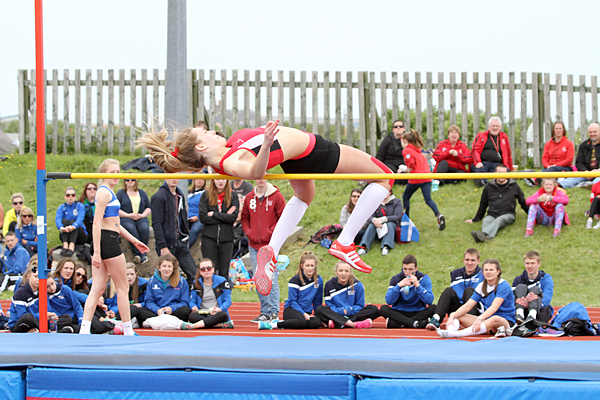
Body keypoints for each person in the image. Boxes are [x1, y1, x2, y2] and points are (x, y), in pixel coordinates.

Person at [136, 119, 394, 297]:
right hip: (314, 151)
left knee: (305, 196)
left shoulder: (224, 154)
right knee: (385, 176)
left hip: (296, 158)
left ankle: (272, 249)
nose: (213, 132)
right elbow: (253, 172)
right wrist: (267, 143)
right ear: (202, 146)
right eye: (207, 134)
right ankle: (345, 241)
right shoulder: (230, 160)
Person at [79, 159, 149, 336]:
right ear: (103, 173)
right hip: (107, 240)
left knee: (98, 287)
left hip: (108, 238)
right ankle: (128, 330)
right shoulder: (103, 193)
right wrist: (96, 252)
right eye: (112, 171)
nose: (117, 175)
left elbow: (116, 224)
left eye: (118, 171)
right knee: (123, 287)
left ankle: (84, 329)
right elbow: (96, 223)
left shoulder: (109, 192)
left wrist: (134, 241)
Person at [241, 178, 286, 323]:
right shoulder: (249, 197)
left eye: (264, 176)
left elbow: (283, 218)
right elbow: (244, 218)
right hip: (254, 245)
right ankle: (265, 311)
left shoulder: (276, 196)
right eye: (258, 176)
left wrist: (271, 232)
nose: (261, 179)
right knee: (259, 278)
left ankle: (274, 312)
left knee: (271, 278)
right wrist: (249, 233)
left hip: (271, 244)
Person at [437, 259, 516, 338]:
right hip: (487, 321)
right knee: (458, 315)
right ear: (482, 272)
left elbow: (494, 307)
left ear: (498, 272)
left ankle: (457, 334)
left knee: (495, 319)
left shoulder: (503, 285)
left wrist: (480, 318)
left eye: (491, 270)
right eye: (486, 270)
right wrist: (452, 316)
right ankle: (450, 331)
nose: (488, 272)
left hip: (505, 322)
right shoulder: (481, 286)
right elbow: (468, 305)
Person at [258, 251, 323, 330]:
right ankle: (274, 325)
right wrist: (303, 314)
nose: (310, 268)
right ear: (302, 266)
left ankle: (290, 323)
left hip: (306, 312)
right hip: (292, 310)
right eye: (307, 265)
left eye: (312, 265)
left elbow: (317, 301)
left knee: (317, 322)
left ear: (315, 266)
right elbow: (292, 301)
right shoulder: (295, 280)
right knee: (302, 321)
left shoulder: (319, 280)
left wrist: (316, 315)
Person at [151, 178, 197, 287]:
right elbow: (156, 224)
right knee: (167, 276)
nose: (174, 179)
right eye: (171, 175)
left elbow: (180, 217)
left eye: (176, 175)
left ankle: (188, 299)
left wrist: (185, 232)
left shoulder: (179, 195)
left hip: (180, 241)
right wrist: (162, 246)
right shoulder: (159, 197)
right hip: (167, 244)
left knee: (194, 274)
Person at [467, 164, 529, 242]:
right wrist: (475, 219)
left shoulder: (514, 186)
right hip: (492, 214)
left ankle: (484, 234)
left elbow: (523, 202)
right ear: (495, 173)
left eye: (504, 173)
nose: (502, 175)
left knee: (500, 219)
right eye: (499, 172)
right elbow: (483, 204)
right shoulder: (489, 186)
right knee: (486, 220)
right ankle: (485, 238)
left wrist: (532, 216)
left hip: (508, 214)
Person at [425, 248, 483, 330]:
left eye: (473, 260)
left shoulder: (483, 274)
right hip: (458, 309)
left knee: (469, 291)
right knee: (448, 291)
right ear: (463, 260)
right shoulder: (455, 274)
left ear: (478, 261)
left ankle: (468, 323)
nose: (469, 263)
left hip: (473, 309)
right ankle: (436, 319)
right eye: (467, 260)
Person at [401, 130, 446, 231]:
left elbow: (411, 163)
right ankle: (438, 215)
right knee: (428, 199)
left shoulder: (407, 150)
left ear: (404, 141)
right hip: (427, 177)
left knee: (406, 197)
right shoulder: (418, 150)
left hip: (416, 178)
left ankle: (406, 219)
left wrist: (407, 170)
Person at [314, 261, 378, 329]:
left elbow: (360, 305)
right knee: (319, 309)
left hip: (352, 313)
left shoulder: (357, 285)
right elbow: (330, 305)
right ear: (336, 272)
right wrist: (341, 311)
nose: (343, 274)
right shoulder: (329, 285)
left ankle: (338, 323)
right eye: (340, 271)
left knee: (374, 309)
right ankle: (353, 324)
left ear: (350, 272)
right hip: (336, 313)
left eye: (346, 271)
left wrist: (349, 310)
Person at [380, 255, 436, 329]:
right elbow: (389, 301)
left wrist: (418, 285)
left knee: (435, 308)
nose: (407, 272)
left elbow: (429, 301)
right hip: (399, 312)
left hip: (418, 312)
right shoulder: (396, 279)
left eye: (410, 269)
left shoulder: (424, 278)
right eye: (405, 269)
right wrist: (399, 286)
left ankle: (401, 324)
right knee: (383, 309)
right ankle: (415, 324)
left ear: (416, 268)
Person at [199, 179, 239, 278]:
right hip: (209, 238)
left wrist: (214, 215)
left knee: (224, 271)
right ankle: (209, 292)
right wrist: (224, 217)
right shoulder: (206, 195)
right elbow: (203, 218)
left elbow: (233, 218)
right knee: (209, 271)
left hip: (227, 239)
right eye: (217, 179)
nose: (220, 181)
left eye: (223, 179)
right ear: (213, 180)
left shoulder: (233, 196)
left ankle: (223, 292)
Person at [182, 258, 234, 330]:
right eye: (203, 269)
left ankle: (194, 326)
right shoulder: (195, 283)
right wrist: (193, 307)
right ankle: (219, 325)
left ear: (213, 269)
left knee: (223, 315)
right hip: (202, 313)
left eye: (209, 268)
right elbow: (192, 300)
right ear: (200, 271)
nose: (206, 271)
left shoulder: (222, 281)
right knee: (191, 316)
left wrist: (220, 309)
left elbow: (228, 301)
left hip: (217, 313)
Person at [143, 254, 191, 324]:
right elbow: (149, 301)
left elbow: (184, 302)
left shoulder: (181, 281)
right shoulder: (152, 280)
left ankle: (160, 322)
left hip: (173, 312)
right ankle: (163, 321)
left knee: (185, 310)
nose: (166, 269)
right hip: (157, 312)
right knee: (140, 311)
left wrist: (171, 308)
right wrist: (157, 310)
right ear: (159, 268)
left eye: (169, 266)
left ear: (173, 268)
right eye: (164, 266)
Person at [357, 188, 402, 256]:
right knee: (372, 225)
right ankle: (364, 247)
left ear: (390, 192)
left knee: (389, 224)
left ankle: (386, 247)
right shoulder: (376, 202)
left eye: (386, 192)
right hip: (378, 226)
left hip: (392, 227)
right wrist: (374, 220)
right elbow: (369, 215)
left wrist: (383, 219)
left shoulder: (397, 202)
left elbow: (397, 216)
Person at [512, 251, 554, 324]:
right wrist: (524, 301)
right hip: (523, 311)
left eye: (533, 263)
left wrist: (530, 303)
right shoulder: (518, 280)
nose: (530, 266)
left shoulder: (546, 278)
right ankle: (519, 315)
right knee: (520, 287)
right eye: (527, 263)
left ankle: (532, 316)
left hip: (540, 312)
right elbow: (511, 299)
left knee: (535, 289)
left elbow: (547, 299)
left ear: (539, 264)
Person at [117, 178, 151, 264]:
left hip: (140, 217)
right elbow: (116, 209)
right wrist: (128, 215)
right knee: (131, 229)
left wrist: (142, 215)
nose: (130, 182)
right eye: (127, 180)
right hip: (126, 217)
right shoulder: (120, 193)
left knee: (144, 228)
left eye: (132, 179)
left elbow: (148, 207)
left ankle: (143, 253)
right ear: (124, 182)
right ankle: (139, 253)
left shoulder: (142, 193)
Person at [471, 117, 513, 186]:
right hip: (482, 163)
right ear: (489, 127)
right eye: (493, 126)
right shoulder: (481, 135)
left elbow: (508, 153)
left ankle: (498, 181)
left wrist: (510, 167)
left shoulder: (504, 137)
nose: (495, 128)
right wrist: (478, 162)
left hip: (496, 164)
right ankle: (482, 182)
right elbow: (475, 150)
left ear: (500, 127)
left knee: (504, 171)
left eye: (497, 126)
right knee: (479, 169)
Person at [558, 123, 600, 188]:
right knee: (574, 177)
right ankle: (560, 184)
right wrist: (585, 172)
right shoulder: (584, 145)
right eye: (590, 132)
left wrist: (597, 171)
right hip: (586, 173)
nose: (592, 134)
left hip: (599, 172)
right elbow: (579, 162)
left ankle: (592, 185)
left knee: (598, 180)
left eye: (595, 132)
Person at [8, 262, 42, 332]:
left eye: (40, 277)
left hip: (37, 320)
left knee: (66, 318)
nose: (38, 279)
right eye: (35, 276)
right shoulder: (21, 293)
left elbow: (48, 308)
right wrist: (41, 316)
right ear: (28, 276)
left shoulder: (42, 292)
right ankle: (44, 331)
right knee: (27, 318)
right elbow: (22, 315)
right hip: (19, 325)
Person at [55, 187, 88, 257]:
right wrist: (61, 227)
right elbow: (58, 219)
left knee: (73, 221)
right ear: (65, 197)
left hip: (80, 235)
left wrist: (73, 226)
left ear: (75, 196)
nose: (70, 197)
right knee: (64, 221)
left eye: (72, 195)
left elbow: (80, 218)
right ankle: (65, 244)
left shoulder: (80, 206)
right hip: (67, 234)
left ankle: (72, 245)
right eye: (68, 195)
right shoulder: (62, 207)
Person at [376, 119, 407, 185]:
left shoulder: (408, 140)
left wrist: (403, 167)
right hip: (390, 162)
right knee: (391, 173)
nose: (398, 128)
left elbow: (411, 155)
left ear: (404, 128)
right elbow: (380, 155)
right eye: (396, 127)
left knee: (405, 176)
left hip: (403, 163)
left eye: (400, 126)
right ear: (393, 129)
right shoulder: (387, 140)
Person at [187, 177, 206, 248]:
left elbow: (206, 208)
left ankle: (186, 249)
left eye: (202, 179)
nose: (200, 181)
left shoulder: (206, 193)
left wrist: (197, 217)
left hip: (199, 217)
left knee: (195, 230)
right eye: (197, 179)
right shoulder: (188, 192)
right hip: (188, 216)